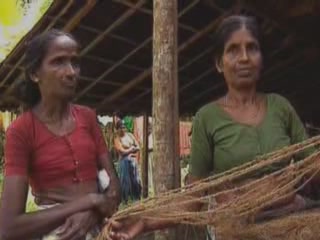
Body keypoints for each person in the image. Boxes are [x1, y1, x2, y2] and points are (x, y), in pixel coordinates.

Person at [107, 15, 313, 240]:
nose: (244, 57)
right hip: (238, 232)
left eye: (252, 48)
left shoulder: (280, 107)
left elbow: (312, 165)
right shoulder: (208, 117)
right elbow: (194, 199)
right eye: (233, 50)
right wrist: (144, 220)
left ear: (261, 59)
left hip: (292, 228)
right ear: (218, 63)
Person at [0, 29, 121, 240]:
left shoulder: (88, 117)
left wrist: (91, 213)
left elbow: (114, 187)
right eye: (58, 62)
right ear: (34, 74)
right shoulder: (21, 130)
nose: (71, 72)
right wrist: (89, 201)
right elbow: (9, 228)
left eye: (75, 62)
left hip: (102, 229)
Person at [114, 120, 141, 204]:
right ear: (117, 129)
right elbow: (121, 151)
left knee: (135, 180)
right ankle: (124, 200)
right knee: (125, 181)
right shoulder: (117, 139)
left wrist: (129, 150)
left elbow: (138, 147)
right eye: (120, 128)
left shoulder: (130, 135)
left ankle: (136, 198)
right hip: (123, 162)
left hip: (133, 160)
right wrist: (131, 149)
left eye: (124, 127)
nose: (123, 129)